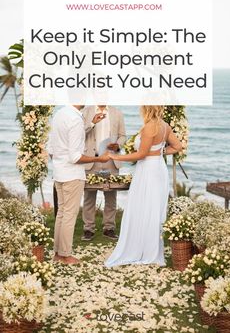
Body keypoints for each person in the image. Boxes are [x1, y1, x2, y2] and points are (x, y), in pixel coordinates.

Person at [105, 106, 182, 267]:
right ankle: (151, 249)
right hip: (159, 168)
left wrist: (116, 156)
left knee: (143, 207)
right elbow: (177, 146)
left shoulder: (149, 127)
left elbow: (141, 154)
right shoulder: (165, 125)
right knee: (153, 208)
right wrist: (160, 152)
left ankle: (143, 250)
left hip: (148, 170)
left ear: (146, 109)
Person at [48, 105, 109, 265]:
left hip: (59, 173)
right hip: (72, 175)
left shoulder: (59, 114)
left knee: (61, 213)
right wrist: (98, 159)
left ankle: (57, 253)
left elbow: (51, 149)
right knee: (69, 215)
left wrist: (91, 124)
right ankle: (66, 255)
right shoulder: (75, 118)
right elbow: (75, 157)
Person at [82, 105, 126, 240]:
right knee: (89, 196)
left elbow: (123, 136)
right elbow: (79, 133)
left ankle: (109, 228)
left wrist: (118, 145)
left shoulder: (117, 112)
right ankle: (88, 229)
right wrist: (92, 123)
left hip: (110, 159)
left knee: (111, 196)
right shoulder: (86, 112)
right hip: (92, 159)